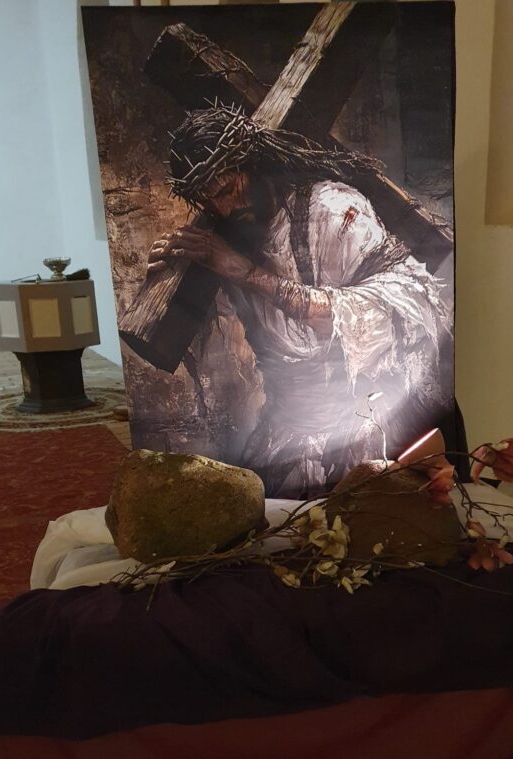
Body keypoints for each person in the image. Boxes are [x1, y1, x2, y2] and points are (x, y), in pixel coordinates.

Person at [148, 104, 451, 499]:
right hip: (285, 441)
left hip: (370, 429)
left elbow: (400, 305)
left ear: (254, 165)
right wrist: (168, 274)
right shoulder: (225, 238)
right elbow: (203, 328)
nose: (224, 209)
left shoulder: (333, 210)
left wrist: (245, 272)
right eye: (208, 202)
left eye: (226, 190)